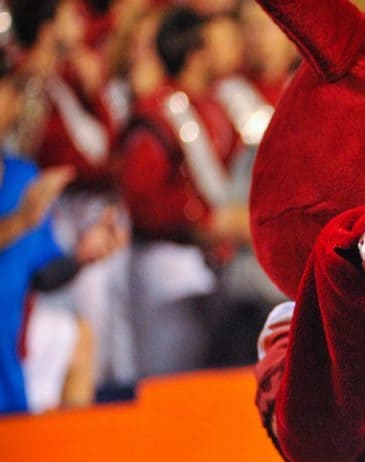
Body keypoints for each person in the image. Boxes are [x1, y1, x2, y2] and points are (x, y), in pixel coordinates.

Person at [9, 0, 136, 387]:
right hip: (38, 207)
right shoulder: (20, 78)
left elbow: (108, 145)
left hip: (58, 214)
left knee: (102, 326)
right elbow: (53, 155)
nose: (80, 20)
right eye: (68, 14)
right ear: (48, 27)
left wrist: (94, 88)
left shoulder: (64, 77)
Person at [118, 7, 248, 375]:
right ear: (196, 54)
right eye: (211, 45)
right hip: (169, 261)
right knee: (168, 378)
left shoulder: (216, 105)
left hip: (216, 263)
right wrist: (203, 221)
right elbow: (143, 202)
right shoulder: (156, 113)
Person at [0, 55, 125, 414]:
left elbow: (41, 275)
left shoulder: (24, 177)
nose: (11, 102)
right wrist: (20, 221)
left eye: (12, 92)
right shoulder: (27, 199)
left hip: (9, 377)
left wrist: (82, 255)